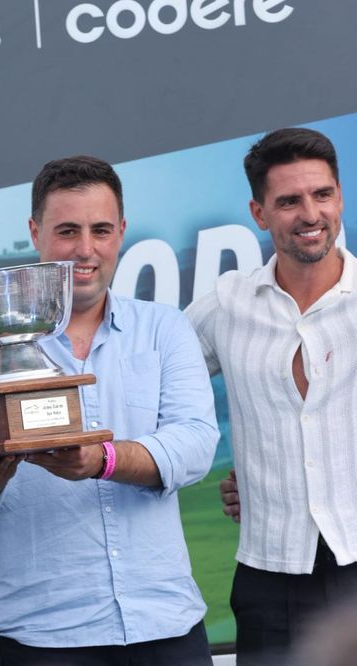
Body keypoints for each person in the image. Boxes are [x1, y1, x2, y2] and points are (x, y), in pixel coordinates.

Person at [0, 156, 219, 665]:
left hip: (165, 623)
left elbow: (196, 440)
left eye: (101, 230)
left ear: (121, 232)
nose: (85, 250)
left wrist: (104, 460)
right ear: (35, 232)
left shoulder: (163, 328)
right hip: (43, 636)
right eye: (67, 230)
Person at [186, 127, 357, 665]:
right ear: (259, 213)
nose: (310, 214)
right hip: (270, 574)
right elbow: (153, 387)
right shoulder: (224, 307)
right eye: (289, 201)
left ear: (340, 197)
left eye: (322, 194)